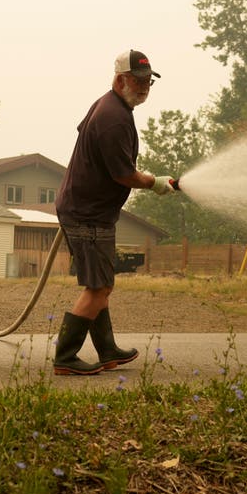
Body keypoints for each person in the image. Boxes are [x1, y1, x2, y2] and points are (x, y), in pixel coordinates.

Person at [52, 49, 177, 376]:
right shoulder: (113, 117)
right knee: (99, 288)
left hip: (86, 209)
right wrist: (154, 182)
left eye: (149, 82)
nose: (144, 87)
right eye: (138, 81)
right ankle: (65, 356)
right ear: (120, 79)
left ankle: (107, 350)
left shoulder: (109, 106)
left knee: (99, 284)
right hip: (87, 214)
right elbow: (123, 174)